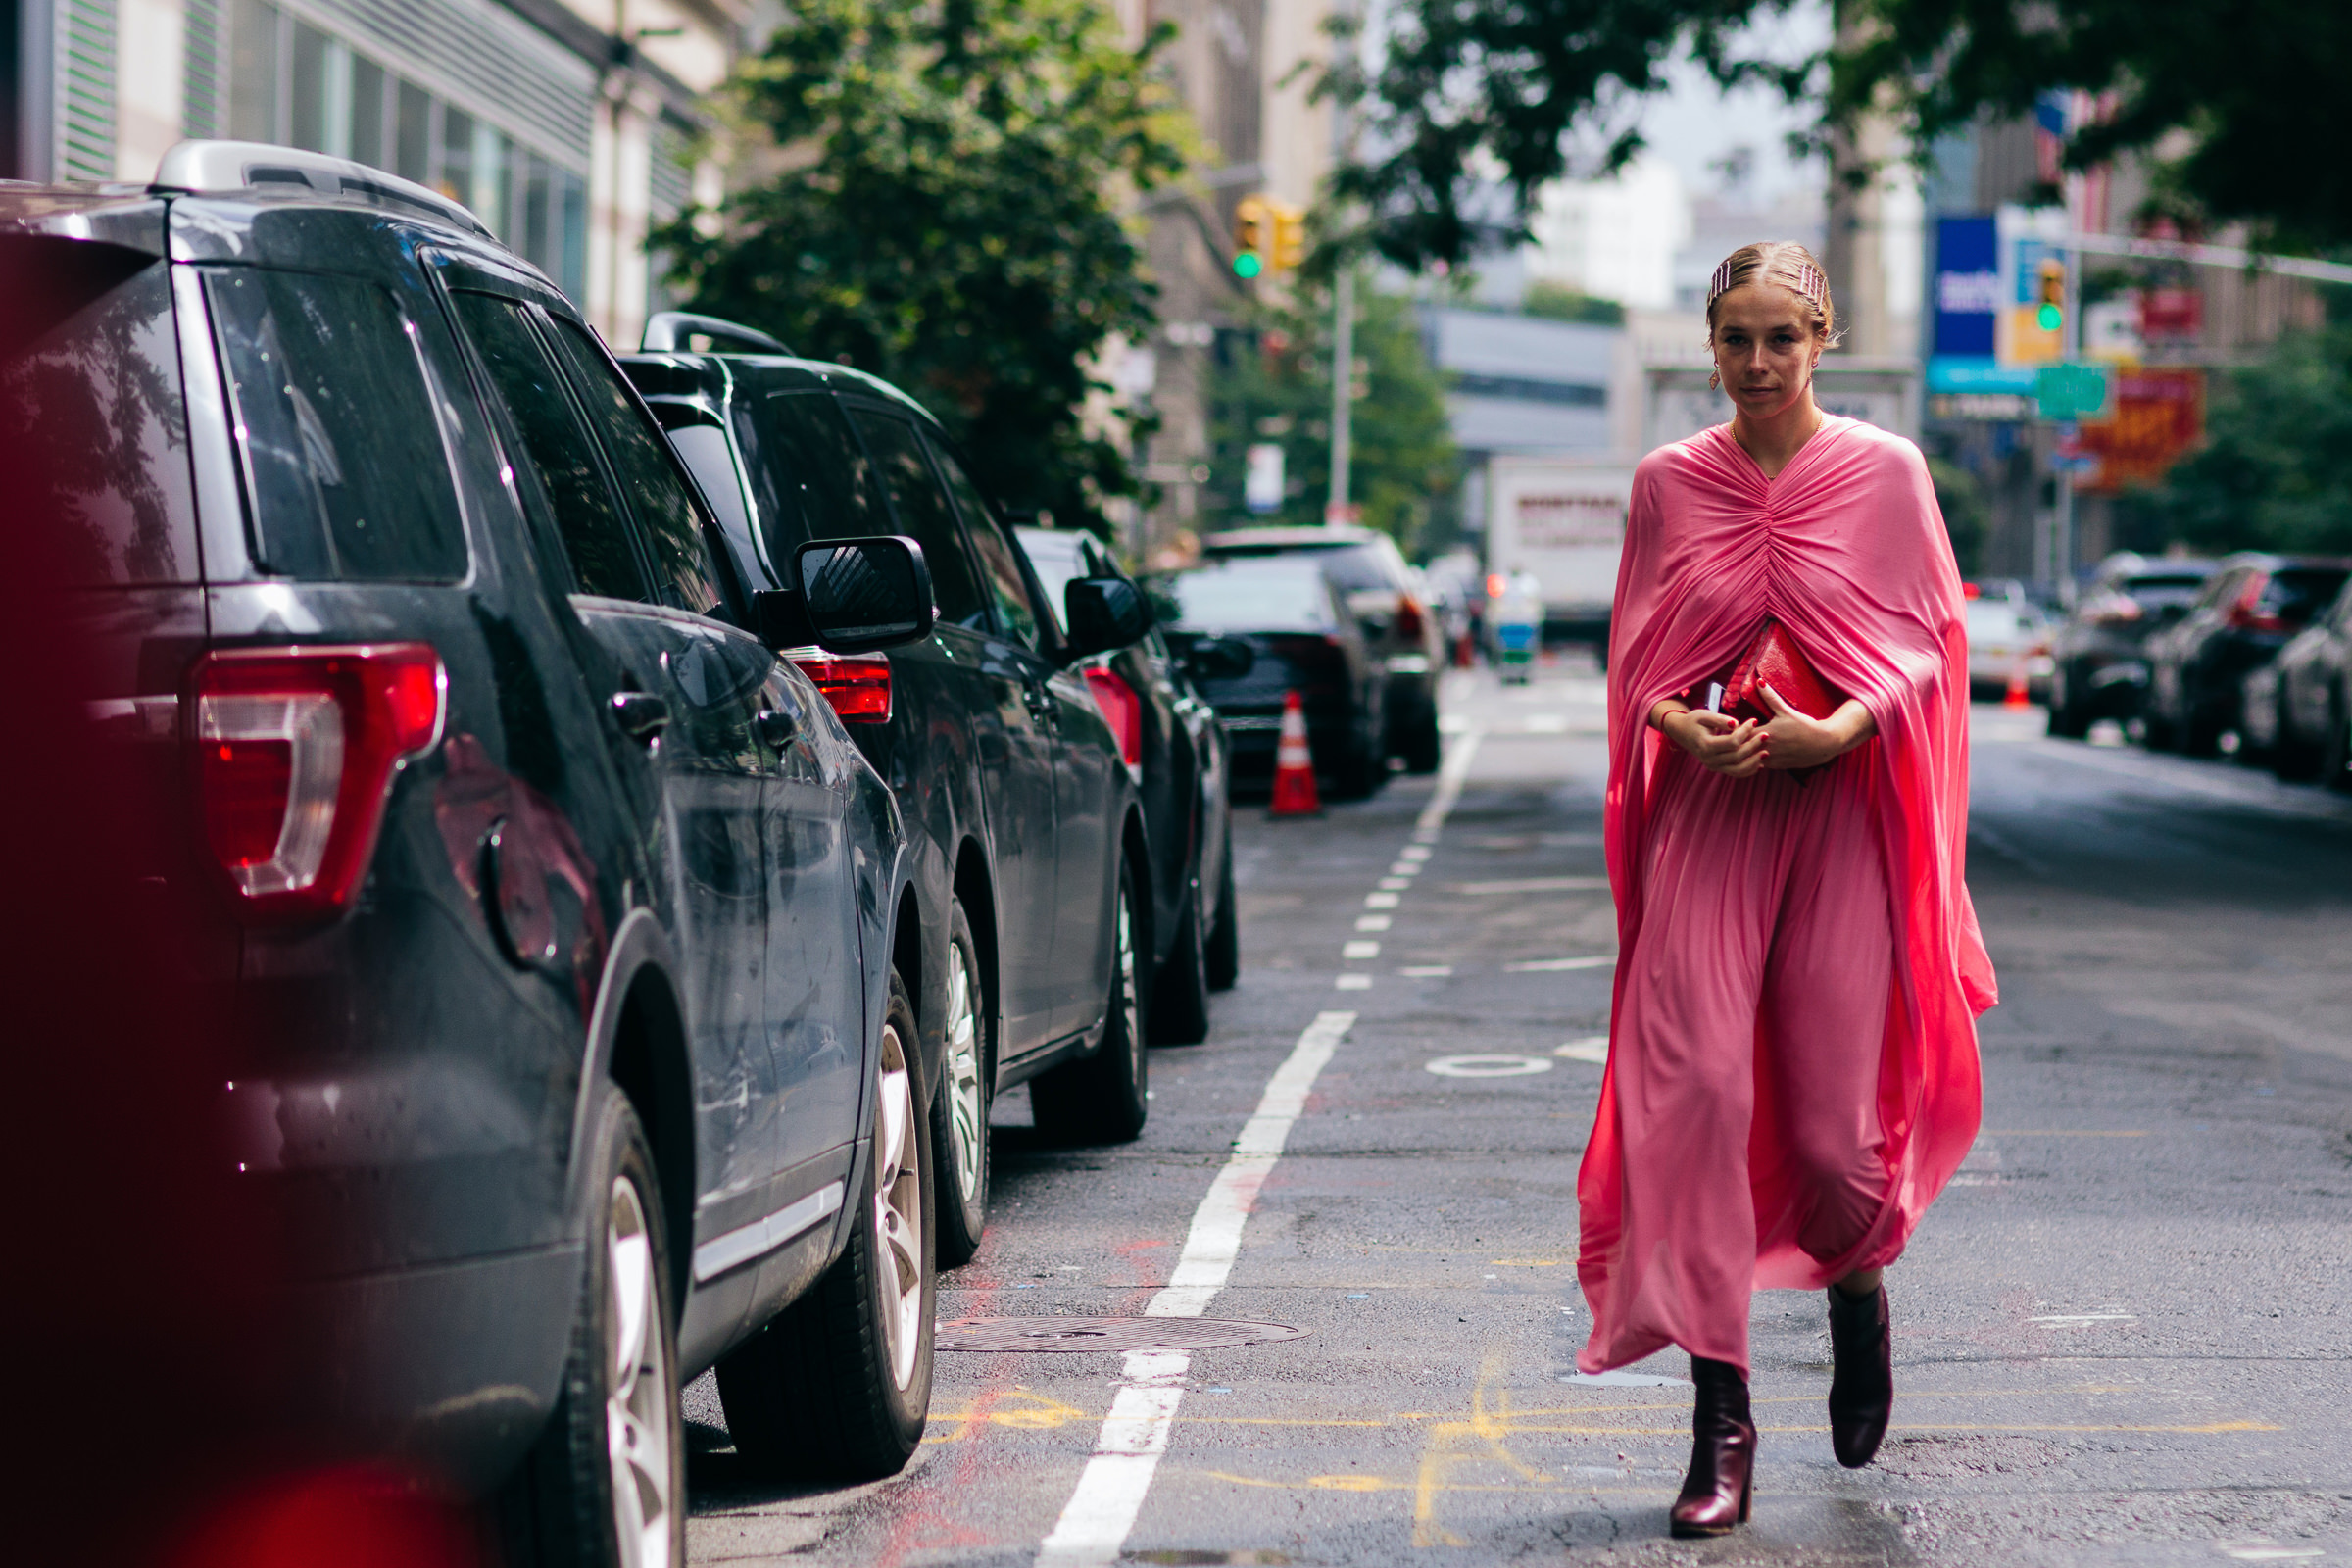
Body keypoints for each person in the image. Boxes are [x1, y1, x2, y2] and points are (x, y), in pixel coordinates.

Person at [1573, 242, 1997, 1538]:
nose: (1757, 365)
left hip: (1839, 813)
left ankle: (1857, 1295)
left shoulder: (1885, 474)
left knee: (1826, 1134)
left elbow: (1931, 649)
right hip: (1709, 816)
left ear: (1822, 339)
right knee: (1692, 1091)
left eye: (1781, 339)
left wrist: (1848, 726)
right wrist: (1672, 721)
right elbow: (1640, 654)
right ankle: (1723, 1415)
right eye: (1736, 339)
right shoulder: (1667, 483)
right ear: (1710, 342)